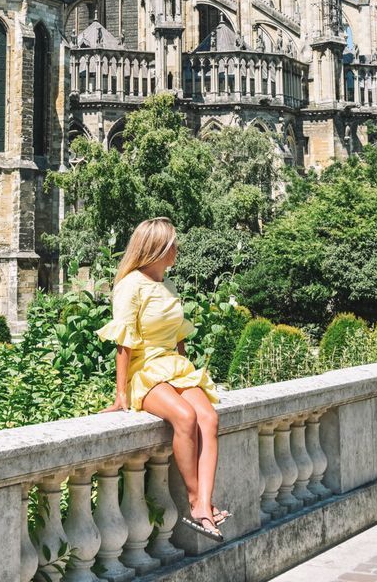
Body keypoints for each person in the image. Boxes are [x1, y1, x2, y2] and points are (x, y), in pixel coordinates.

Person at [96, 217, 229, 541]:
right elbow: (124, 343)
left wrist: (186, 370)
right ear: (156, 248)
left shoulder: (165, 283)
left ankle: (205, 503)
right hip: (144, 369)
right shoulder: (130, 285)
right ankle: (197, 503)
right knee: (184, 417)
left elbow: (178, 334)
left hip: (173, 365)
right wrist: (120, 394)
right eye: (173, 245)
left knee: (208, 418)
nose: (177, 250)